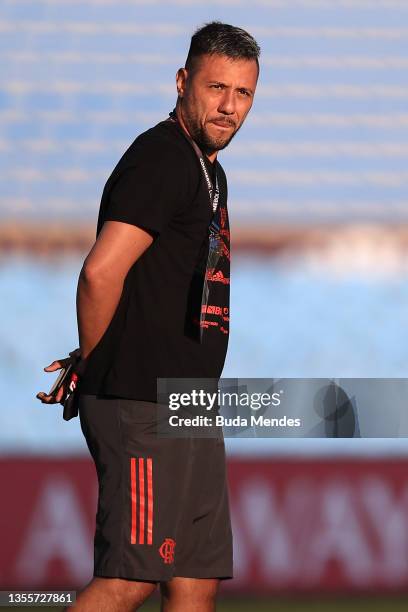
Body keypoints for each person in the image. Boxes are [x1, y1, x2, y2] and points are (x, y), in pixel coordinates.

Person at [36, 21, 260, 612]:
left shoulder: (209, 171)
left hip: (190, 402)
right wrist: (98, 365)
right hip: (142, 402)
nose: (229, 107)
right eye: (217, 88)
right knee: (130, 579)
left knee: (195, 578)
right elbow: (99, 273)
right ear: (183, 82)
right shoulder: (161, 157)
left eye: (244, 95)